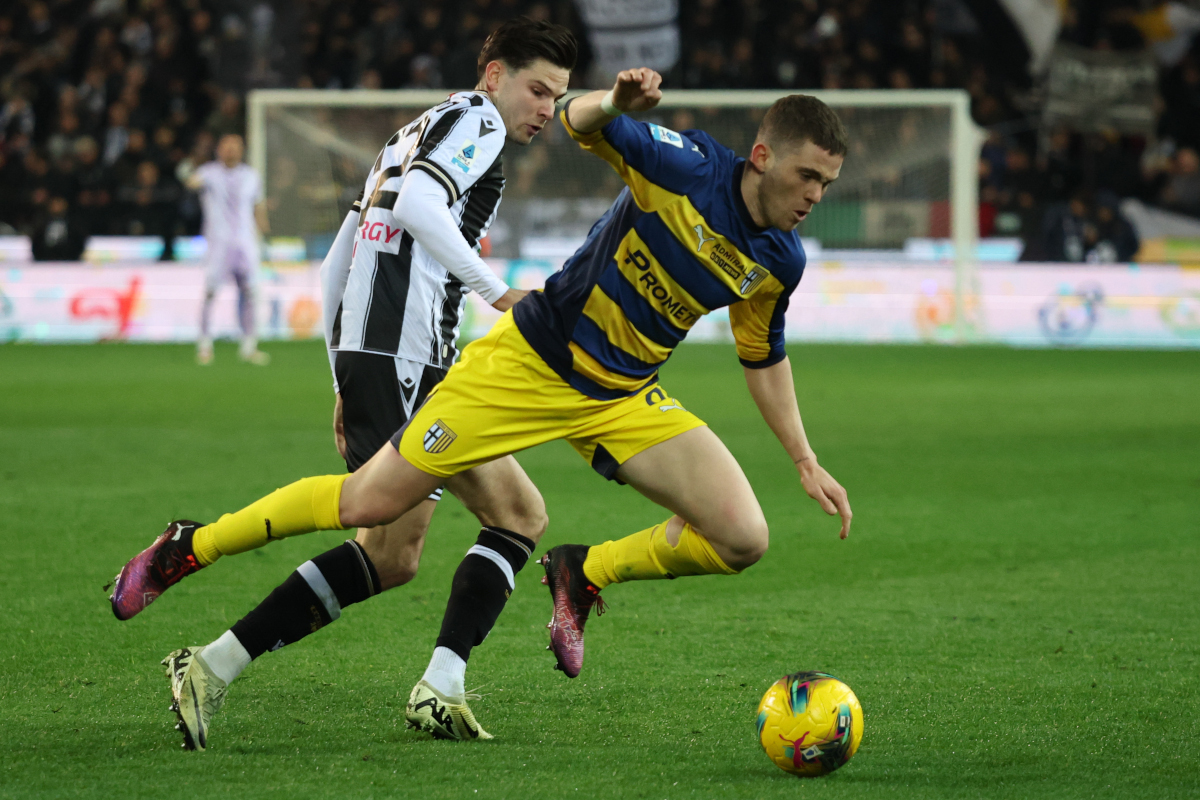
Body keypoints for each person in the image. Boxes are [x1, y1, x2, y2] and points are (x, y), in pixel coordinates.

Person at [113, 68, 852, 732]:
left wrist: (804, 458)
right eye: (808, 177)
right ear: (763, 157)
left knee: (742, 537)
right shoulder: (687, 166)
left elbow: (763, 356)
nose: (815, 197)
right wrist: (615, 102)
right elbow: (577, 120)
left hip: (622, 397)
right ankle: (193, 546)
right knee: (371, 506)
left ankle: (584, 572)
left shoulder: (778, 259)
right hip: (525, 366)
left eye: (827, 184)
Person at [109, 18, 577, 750]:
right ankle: (198, 575)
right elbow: (421, 208)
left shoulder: (413, 131)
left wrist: (341, 369)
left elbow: (339, 256)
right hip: (405, 360)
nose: (547, 109)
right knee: (397, 536)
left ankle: (434, 685)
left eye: (558, 97)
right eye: (538, 89)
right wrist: (497, 292)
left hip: (397, 360)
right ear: (494, 76)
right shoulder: (477, 125)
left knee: (507, 516)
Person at [178, 133, 271, 365]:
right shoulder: (208, 172)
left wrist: (265, 235)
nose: (230, 151)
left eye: (235, 147)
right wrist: (187, 164)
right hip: (218, 243)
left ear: (242, 150)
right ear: (218, 149)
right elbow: (189, 182)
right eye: (226, 146)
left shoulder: (251, 176)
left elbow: (257, 206)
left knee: (250, 292)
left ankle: (249, 347)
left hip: (245, 242)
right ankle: (204, 345)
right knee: (210, 292)